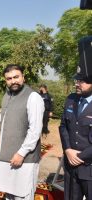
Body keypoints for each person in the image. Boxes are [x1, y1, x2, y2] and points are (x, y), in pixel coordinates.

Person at [0, 64, 44, 200]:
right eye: (9, 78)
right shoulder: (7, 95)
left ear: (23, 77)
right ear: (5, 81)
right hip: (7, 156)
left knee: (23, 195)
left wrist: (21, 154)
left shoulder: (33, 97)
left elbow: (35, 130)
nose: (13, 81)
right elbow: (3, 116)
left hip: (25, 158)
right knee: (9, 194)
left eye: (16, 77)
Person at [59, 70, 92, 200]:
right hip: (71, 167)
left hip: (89, 168)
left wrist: (79, 156)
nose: (77, 84)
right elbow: (63, 126)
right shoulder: (71, 99)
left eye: (82, 81)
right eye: (76, 81)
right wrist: (67, 150)